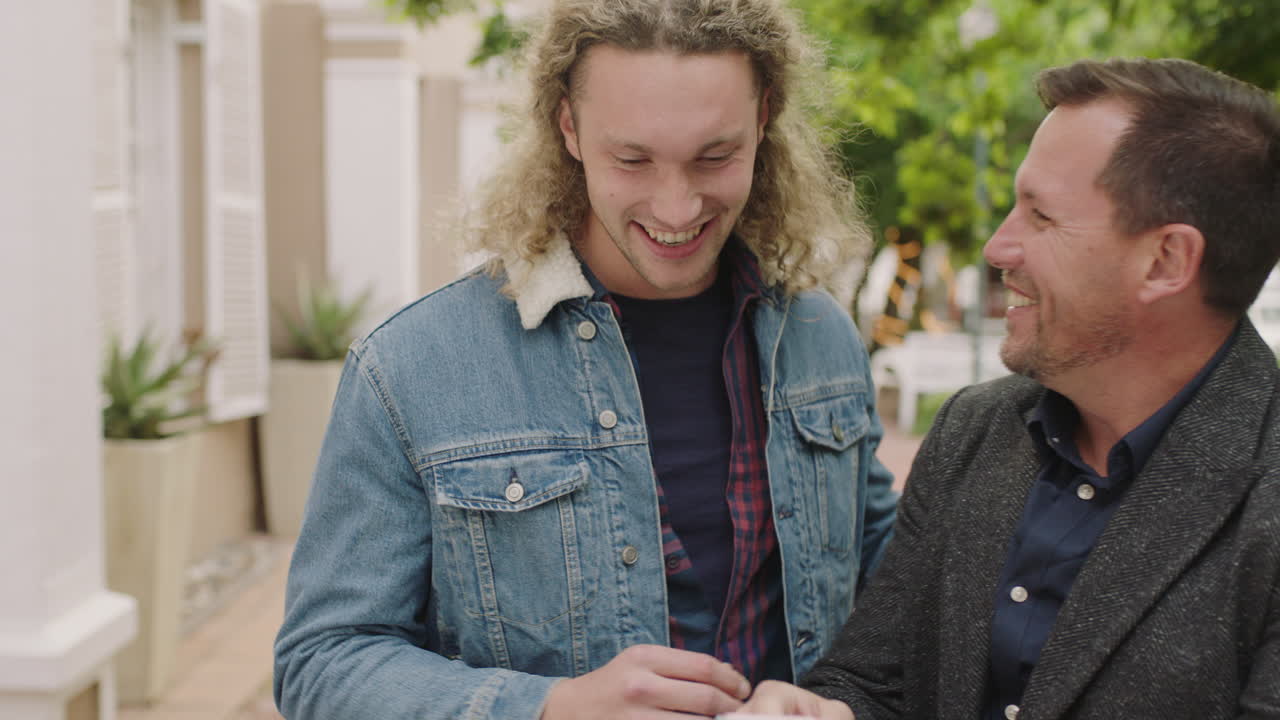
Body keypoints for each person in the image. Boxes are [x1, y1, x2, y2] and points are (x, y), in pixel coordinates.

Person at [272, 1, 899, 718]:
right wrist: (554, 708)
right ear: (567, 127)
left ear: (765, 119)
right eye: (632, 159)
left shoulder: (821, 336)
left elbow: (889, 592)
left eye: (714, 156)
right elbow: (321, 664)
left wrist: (839, 704)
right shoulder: (409, 369)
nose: (676, 206)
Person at [739, 57, 1280, 720]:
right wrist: (824, 712)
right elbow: (877, 679)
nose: (998, 248)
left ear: (1165, 261)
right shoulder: (976, 428)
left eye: (1042, 217)